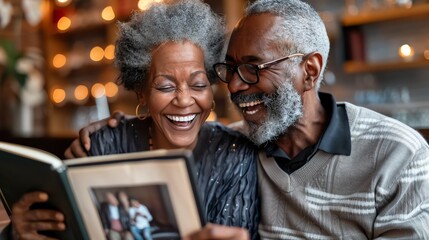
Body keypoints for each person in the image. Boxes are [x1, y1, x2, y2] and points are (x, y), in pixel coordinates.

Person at [69, 0, 429, 239]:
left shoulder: (398, 154)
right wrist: (115, 128)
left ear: (310, 70)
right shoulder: (242, 142)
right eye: (231, 68)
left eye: (253, 68)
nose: (237, 86)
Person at [1, 1, 259, 240]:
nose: (183, 100)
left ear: (210, 90)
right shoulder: (102, 146)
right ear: (142, 93)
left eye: (198, 84)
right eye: (165, 87)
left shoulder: (235, 155)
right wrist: (18, 232)